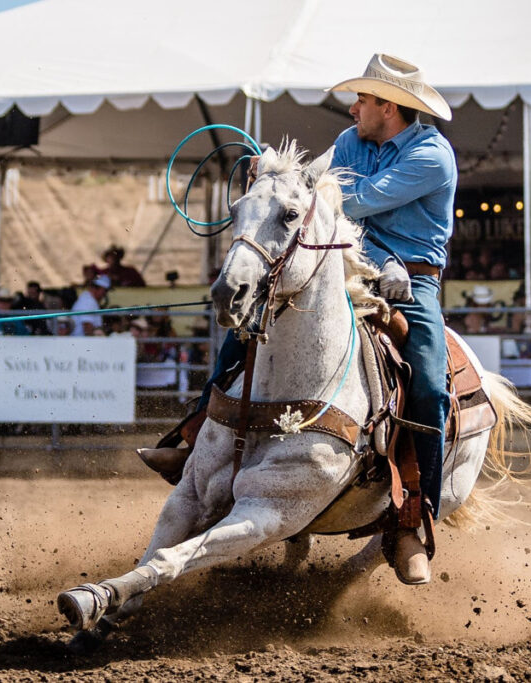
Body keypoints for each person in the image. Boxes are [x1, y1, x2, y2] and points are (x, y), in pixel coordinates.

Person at [142, 53, 457, 585]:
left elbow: (349, 203)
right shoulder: (353, 141)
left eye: (364, 98)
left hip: (410, 280)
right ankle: (196, 441)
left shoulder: (432, 155)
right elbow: (313, 187)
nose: (353, 106)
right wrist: (274, 178)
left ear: (390, 106)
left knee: (428, 381)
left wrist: (297, 193)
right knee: (244, 334)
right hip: (338, 264)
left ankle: (411, 516)